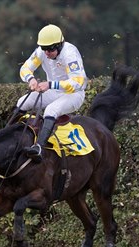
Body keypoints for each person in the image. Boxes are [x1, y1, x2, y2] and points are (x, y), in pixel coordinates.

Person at [17, 24, 88, 162]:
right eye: (44, 49)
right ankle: (14, 139)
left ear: (60, 45)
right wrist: (30, 79)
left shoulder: (70, 53)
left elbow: (78, 82)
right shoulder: (41, 52)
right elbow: (25, 68)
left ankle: (39, 148)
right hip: (53, 91)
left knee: (50, 110)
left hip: (74, 95)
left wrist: (50, 84)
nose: (47, 53)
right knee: (22, 102)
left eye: (50, 49)